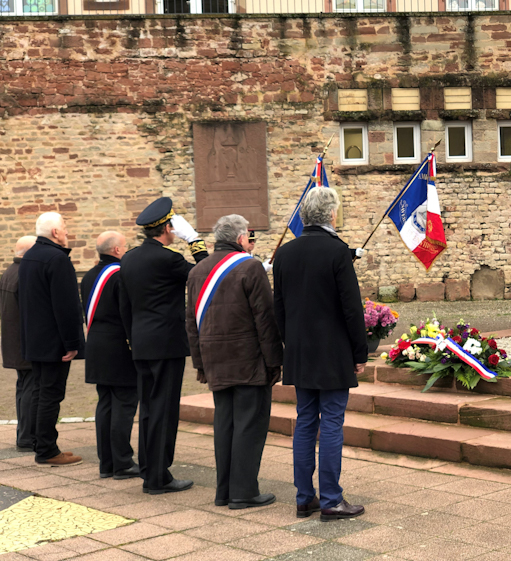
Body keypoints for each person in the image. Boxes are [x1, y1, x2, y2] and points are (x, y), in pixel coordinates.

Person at [273, 187, 367, 522]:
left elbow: (278, 308)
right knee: (331, 423)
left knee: (304, 421)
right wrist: (360, 350)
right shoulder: (336, 251)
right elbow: (351, 309)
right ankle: (330, 499)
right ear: (330, 215)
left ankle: (304, 498)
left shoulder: (284, 253)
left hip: (299, 351)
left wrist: (290, 343)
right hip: (332, 352)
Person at [186, 215, 283, 509]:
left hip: (215, 359)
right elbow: (265, 319)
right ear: (241, 238)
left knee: (225, 425)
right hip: (248, 359)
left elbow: (191, 322)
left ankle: (224, 491)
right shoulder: (250, 266)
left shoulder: (198, 269)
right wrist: (274, 361)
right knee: (249, 426)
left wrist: (199, 362)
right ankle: (244, 492)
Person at [119, 198, 208, 495]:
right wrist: (194, 240)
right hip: (166, 343)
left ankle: (149, 467)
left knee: (148, 407)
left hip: (141, 342)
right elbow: (205, 273)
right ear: (168, 228)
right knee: (164, 409)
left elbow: (124, 304)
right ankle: (158, 476)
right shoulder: (167, 259)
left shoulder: (129, 258)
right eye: (174, 227)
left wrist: (132, 337)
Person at [18, 213, 84, 466]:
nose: (67, 232)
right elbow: (66, 306)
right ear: (55, 232)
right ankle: (46, 450)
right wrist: (72, 343)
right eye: (65, 228)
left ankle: (42, 443)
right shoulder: (57, 259)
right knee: (51, 395)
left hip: (35, 338)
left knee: (40, 392)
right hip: (53, 341)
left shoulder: (30, 256)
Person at [81, 232, 139, 480]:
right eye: (125, 247)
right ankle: (123, 463)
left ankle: (107, 462)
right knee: (124, 404)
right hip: (118, 346)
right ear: (116, 250)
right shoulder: (120, 274)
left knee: (105, 405)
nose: (126, 251)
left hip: (96, 344)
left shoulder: (89, 276)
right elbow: (127, 313)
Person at [0, 236, 37, 452]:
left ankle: (24, 435)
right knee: (30, 389)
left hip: (15, 342)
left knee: (23, 388)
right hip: (25, 343)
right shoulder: (23, 274)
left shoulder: (9, 272)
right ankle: (27, 437)